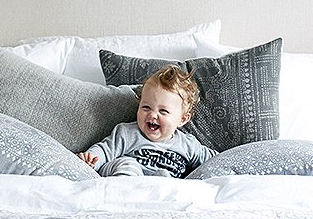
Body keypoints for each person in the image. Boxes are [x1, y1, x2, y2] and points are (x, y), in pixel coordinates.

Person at [78, 65, 216, 177]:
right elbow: (105, 149)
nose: (153, 115)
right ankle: (124, 197)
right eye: (146, 107)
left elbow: (215, 159)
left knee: (164, 176)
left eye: (163, 111)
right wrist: (91, 158)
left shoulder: (188, 145)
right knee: (127, 164)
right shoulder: (127, 133)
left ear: (182, 119)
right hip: (124, 177)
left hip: (158, 190)